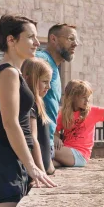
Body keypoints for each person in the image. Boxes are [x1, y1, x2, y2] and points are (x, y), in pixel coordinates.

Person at [0, 15, 56, 207]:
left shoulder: (15, 73)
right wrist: (32, 167)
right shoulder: (8, 73)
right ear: (11, 40)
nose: (37, 42)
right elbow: (11, 123)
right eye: (30, 37)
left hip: (10, 159)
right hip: (5, 160)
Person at [35, 23, 79, 157]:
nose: (75, 44)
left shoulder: (55, 68)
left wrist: (53, 134)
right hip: (37, 142)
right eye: (71, 39)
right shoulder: (43, 59)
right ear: (53, 39)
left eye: (76, 40)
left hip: (46, 140)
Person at [21, 57, 54, 175]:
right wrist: (41, 172)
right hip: (38, 172)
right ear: (31, 79)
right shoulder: (30, 104)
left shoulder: (38, 102)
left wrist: (49, 166)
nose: (49, 86)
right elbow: (33, 139)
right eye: (45, 82)